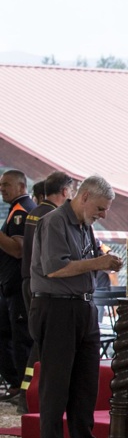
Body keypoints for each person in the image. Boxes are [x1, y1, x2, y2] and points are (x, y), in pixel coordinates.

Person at [29, 176, 122, 438]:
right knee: (56, 383)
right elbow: (55, 268)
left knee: (86, 383)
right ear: (84, 197)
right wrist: (98, 264)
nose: (102, 215)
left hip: (83, 307)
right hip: (55, 307)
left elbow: (85, 261)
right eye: (100, 208)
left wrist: (102, 261)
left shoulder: (86, 226)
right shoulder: (54, 222)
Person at [16, 171, 77, 414]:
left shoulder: (34, 212)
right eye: (72, 192)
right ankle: (30, 397)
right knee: (42, 344)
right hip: (42, 285)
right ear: (64, 191)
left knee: (39, 342)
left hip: (30, 281)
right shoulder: (52, 215)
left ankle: (28, 395)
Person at [0, 170, 35, 405]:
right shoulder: (15, 209)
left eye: (6, 185)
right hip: (10, 287)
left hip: (19, 287)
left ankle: (24, 390)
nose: (2, 189)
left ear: (22, 186)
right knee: (7, 335)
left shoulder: (22, 210)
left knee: (21, 339)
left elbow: (18, 249)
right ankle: (16, 384)